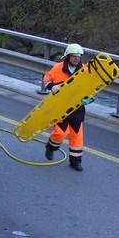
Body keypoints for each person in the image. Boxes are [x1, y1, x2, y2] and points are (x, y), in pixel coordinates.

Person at [43, 43, 93, 172]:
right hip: (61, 107)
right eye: (74, 56)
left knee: (77, 137)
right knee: (60, 132)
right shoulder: (58, 68)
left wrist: (89, 98)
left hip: (77, 108)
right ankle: (51, 147)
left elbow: (90, 87)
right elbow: (46, 79)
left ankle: (75, 162)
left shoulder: (85, 70)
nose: (77, 59)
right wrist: (51, 87)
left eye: (79, 56)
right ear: (68, 56)